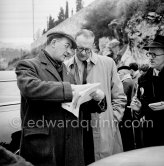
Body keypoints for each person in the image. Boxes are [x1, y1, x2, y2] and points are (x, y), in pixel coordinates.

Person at [15, 31, 103, 166]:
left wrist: (97, 99)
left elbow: (77, 101)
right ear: (54, 43)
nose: (69, 52)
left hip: (72, 149)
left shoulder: (67, 71)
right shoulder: (28, 65)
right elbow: (30, 88)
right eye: (67, 46)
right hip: (44, 147)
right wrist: (71, 90)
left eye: (71, 49)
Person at [65, 29, 127, 164]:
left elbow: (119, 96)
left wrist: (113, 119)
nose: (83, 53)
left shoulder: (108, 63)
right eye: (79, 48)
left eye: (87, 49)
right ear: (74, 45)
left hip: (104, 125)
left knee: (105, 161)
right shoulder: (65, 66)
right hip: (77, 126)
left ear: (93, 46)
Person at [130, 34, 164, 147]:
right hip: (150, 133)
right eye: (149, 53)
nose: (150, 57)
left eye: (155, 54)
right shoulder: (143, 79)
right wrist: (138, 108)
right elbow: (140, 107)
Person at [117, 66, 136, 151]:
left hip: (126, 109)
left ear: (124, 74)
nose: (118, 75)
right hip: (129, 108)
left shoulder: (125, 82)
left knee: (125, 131)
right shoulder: (131, 81)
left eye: (119, 73)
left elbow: (121, 96)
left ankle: (127, 148)